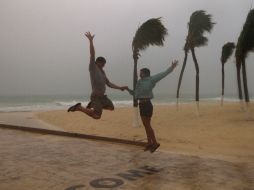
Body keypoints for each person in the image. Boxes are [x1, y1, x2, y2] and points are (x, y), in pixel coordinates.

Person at [68, 32, 128, 119]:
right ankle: (79, 107)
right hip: (95, 96)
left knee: (111, 108)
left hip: (102, 97)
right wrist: (91, 41)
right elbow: (92, 54)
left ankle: (93, 105)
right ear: (97, 62)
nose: (103, 65)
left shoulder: (103, 72)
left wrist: (120, 87)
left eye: (104, 64)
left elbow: (109, 83)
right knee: (97, 116)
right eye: (102, 63)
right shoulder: (93, 68)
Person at [126, 60, 178, 153]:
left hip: (147, 104)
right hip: (141, 104)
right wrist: (127, 89)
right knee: (146, 126)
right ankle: (149, 143)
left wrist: (172, 67)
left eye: (141, 73)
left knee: (148, 125)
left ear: (145, 74)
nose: (139, 74)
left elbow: (163, 74)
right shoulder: (139, 82)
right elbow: (135, 94)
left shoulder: (151, 79)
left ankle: (155, 143)